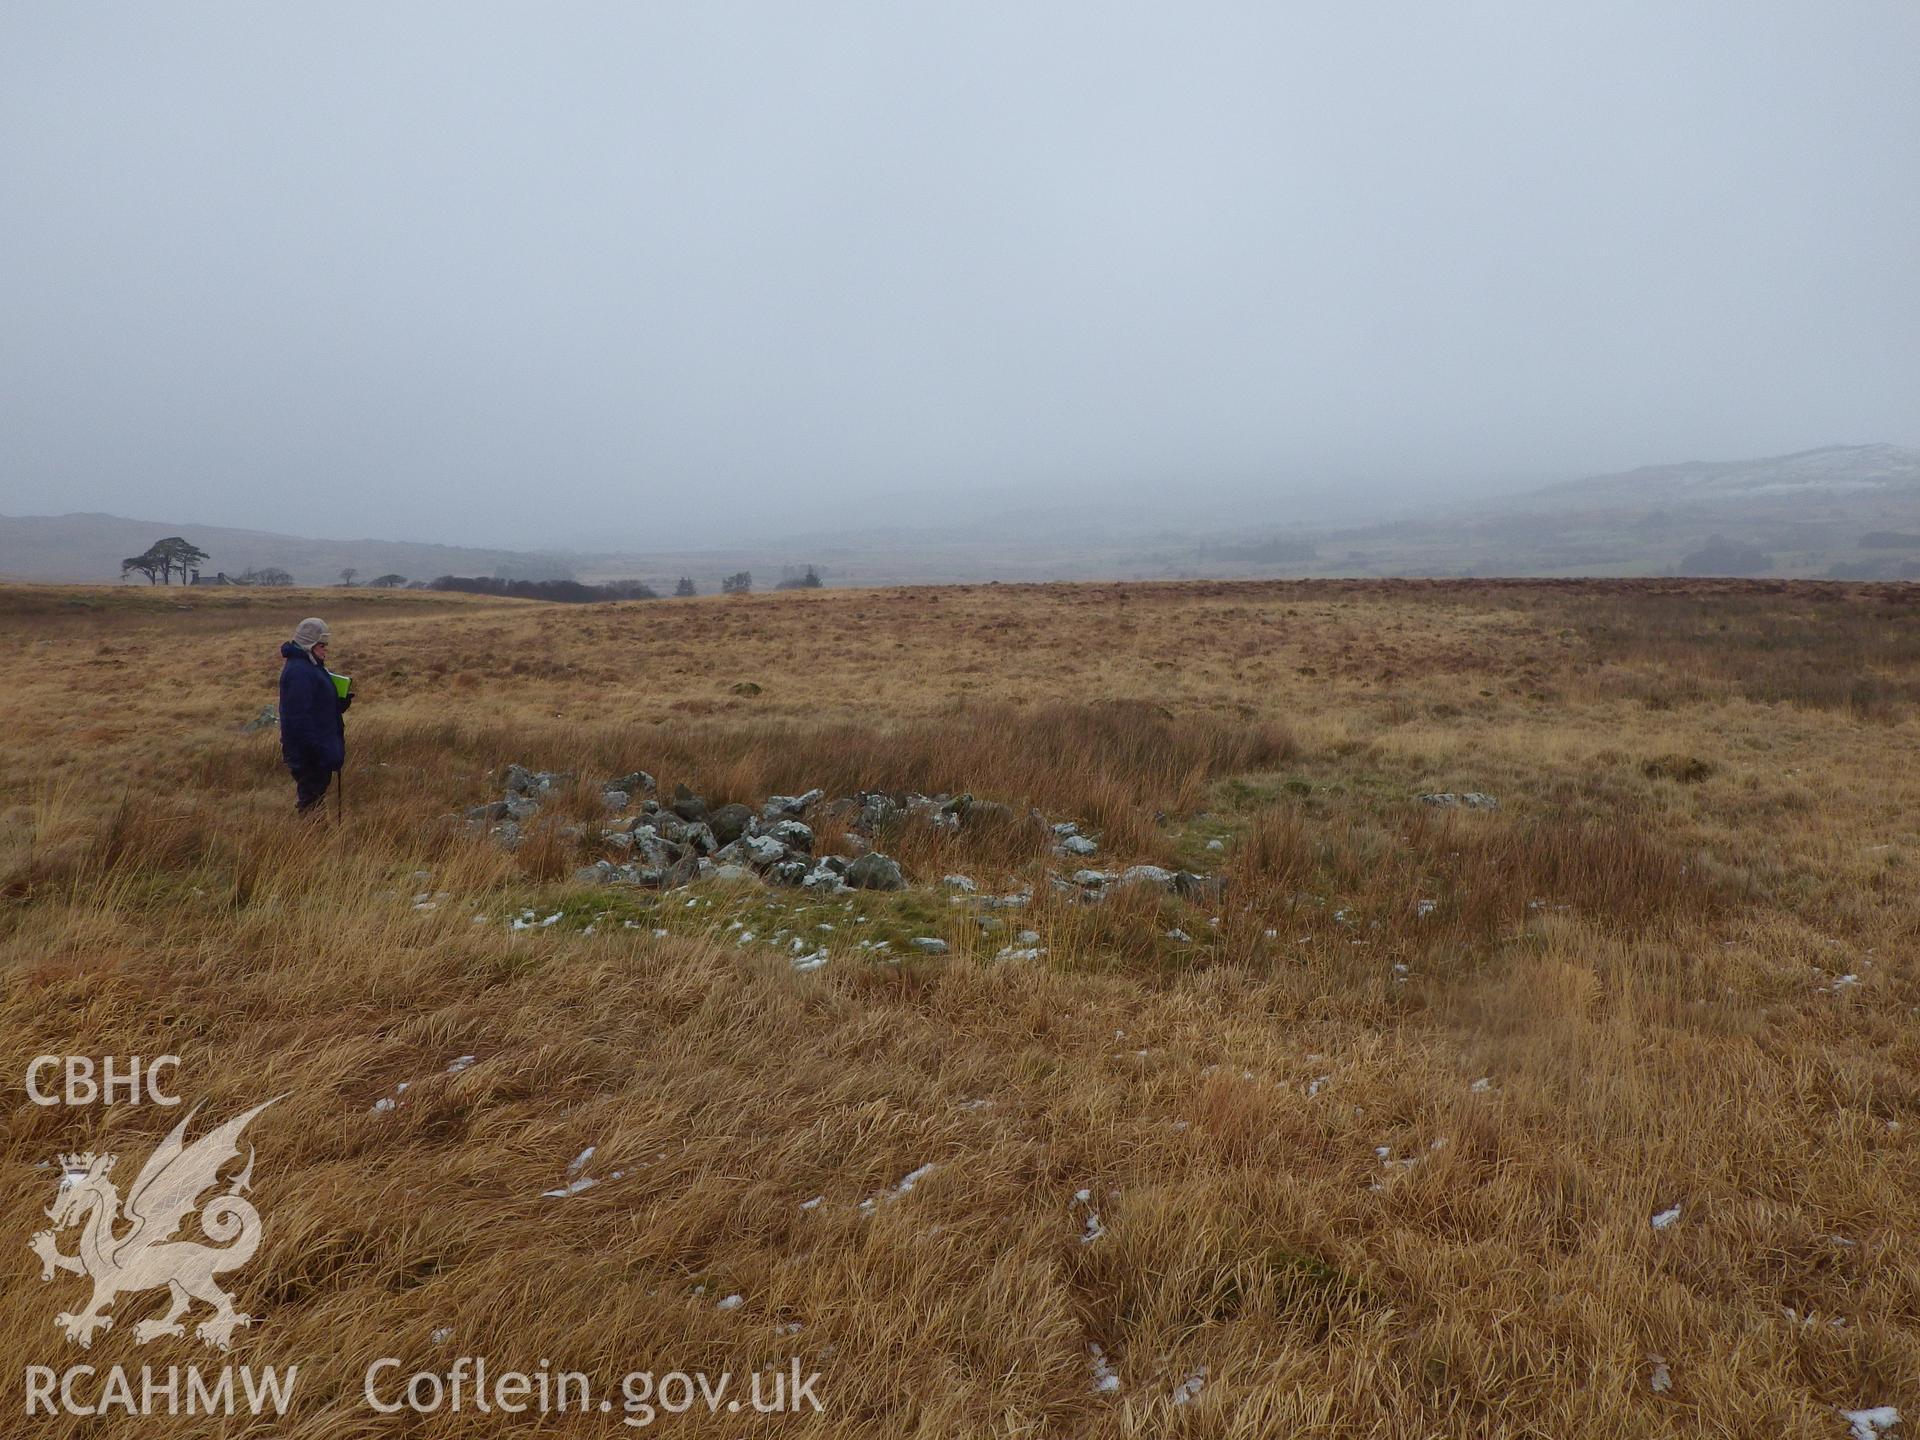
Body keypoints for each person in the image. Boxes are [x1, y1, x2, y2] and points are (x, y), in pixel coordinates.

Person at [279, 617, 350, 815]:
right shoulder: (299, 673)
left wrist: (338, 704)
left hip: (316, 748)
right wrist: (315, 750)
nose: (325, 649)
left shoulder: (311, 667)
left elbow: (315, 707)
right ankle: (311, 841)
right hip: (309, 753)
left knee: (314, 798)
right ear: (309, 645)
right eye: (322, 645)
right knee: (311, 801)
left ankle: (315, 839)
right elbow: (297, 717)